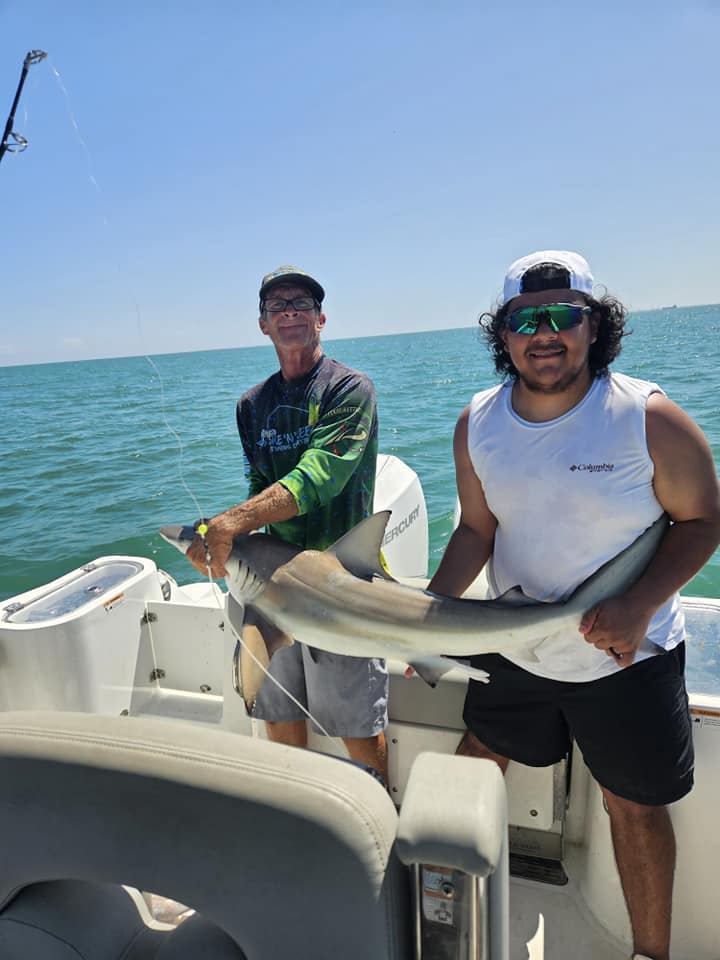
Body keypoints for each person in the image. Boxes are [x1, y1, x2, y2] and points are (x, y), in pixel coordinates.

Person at [428, 250, 720, 960]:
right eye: (526, 319)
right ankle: (436, 923)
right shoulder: (478, 423)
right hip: (517, 642)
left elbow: (704, 519)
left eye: (565, 314)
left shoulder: (645, 417)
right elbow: (476, 528)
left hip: (625, 655)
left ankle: (650, 953)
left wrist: (642, 604)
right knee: (472, 765)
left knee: (634, 808)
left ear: (596, 327)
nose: (546, 332)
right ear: (503, 335)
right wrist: (432, 613)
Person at [186, 265, 388, 782]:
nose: (291, 311)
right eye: (278, 305)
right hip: (273, 580)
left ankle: (379, 811)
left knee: (357, 725)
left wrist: (229, 522)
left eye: (302, 302)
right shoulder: (251, 405)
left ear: (321, 318)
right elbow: (259, 483)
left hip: (341, 576)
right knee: (278, 713)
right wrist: (226, 551)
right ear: (263, 325)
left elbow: (319, 475)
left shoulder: (348, 388)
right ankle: (300, 803)